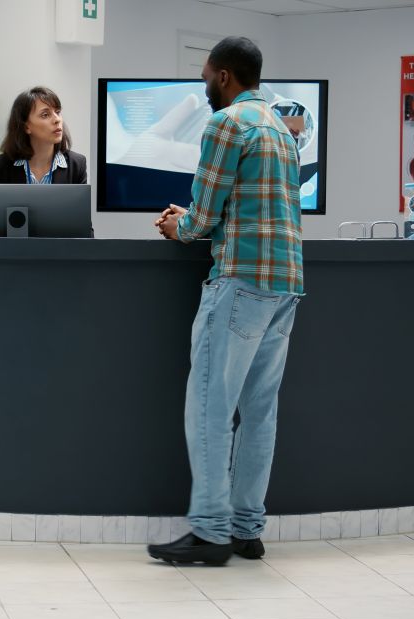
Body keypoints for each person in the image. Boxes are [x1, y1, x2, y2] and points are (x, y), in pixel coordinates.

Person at [148, 37, 304, 566]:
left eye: (205, 77)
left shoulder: (226, 124)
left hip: (239, 282)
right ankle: (246, 528)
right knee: (260, 413)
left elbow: (203, 215)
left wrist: (178, 226)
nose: (204, 87)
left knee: (210, 410)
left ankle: (211, 532)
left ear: (223, 77)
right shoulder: (283, 129)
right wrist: (197, 219)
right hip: (284, 285)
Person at [0, 86, 89, 185]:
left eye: (57, 112)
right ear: (26, 127)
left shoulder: (77, 165)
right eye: (45, 115)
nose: (57, 119)